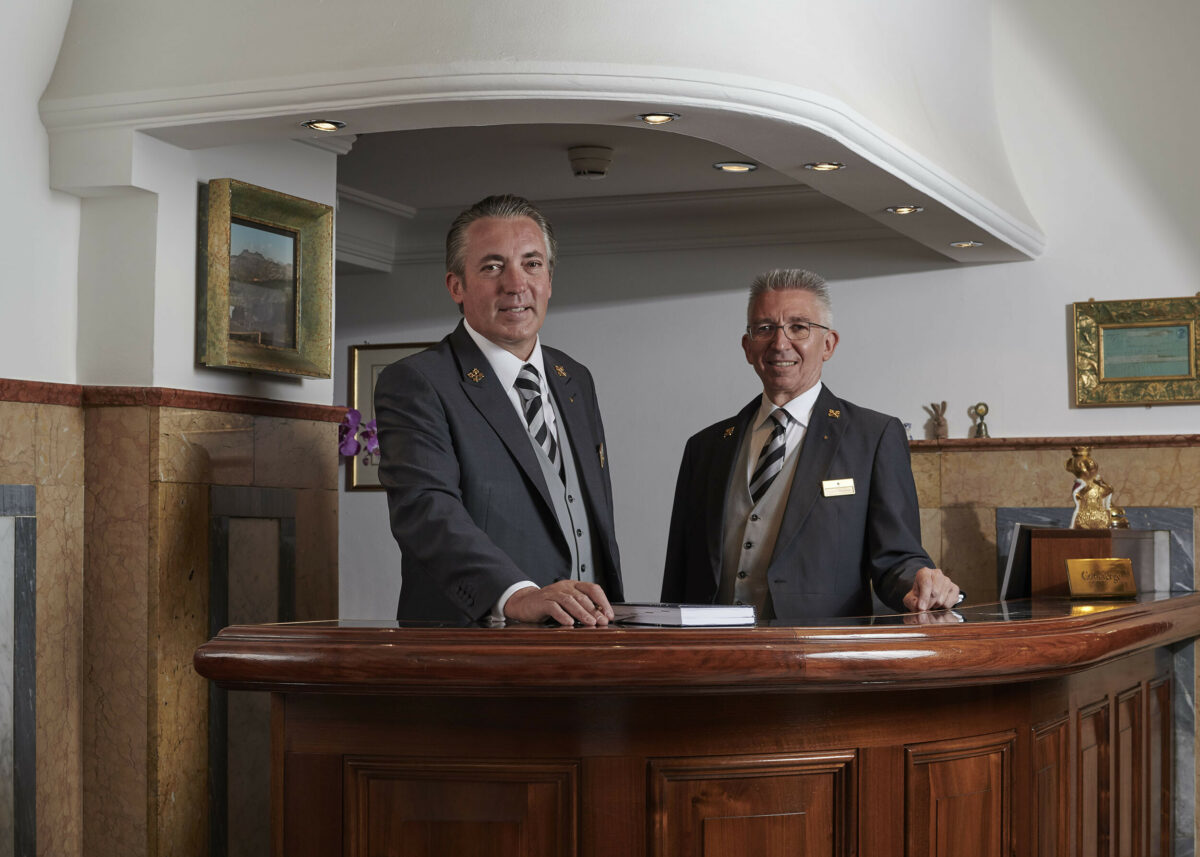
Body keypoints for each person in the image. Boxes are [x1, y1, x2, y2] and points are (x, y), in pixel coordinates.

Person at [374, 195, 622, 625]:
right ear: (456, 286)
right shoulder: (418, 382)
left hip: (589, 642)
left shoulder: (574, 378)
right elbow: (427, 511)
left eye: (532, 264)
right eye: (492, 267)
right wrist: (515, 594)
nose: (515, 284)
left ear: (549, 280)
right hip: (476, 651)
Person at [661, 268, 959, 621]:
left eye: (798, 327)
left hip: (821, 658)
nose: (780, 343)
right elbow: (678, 578)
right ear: (747, 346)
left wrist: (920, 582)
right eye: (765, 328)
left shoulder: (874, 437)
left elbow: (896, 558)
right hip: (714, 661)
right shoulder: (705, 447)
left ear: (829, 344)